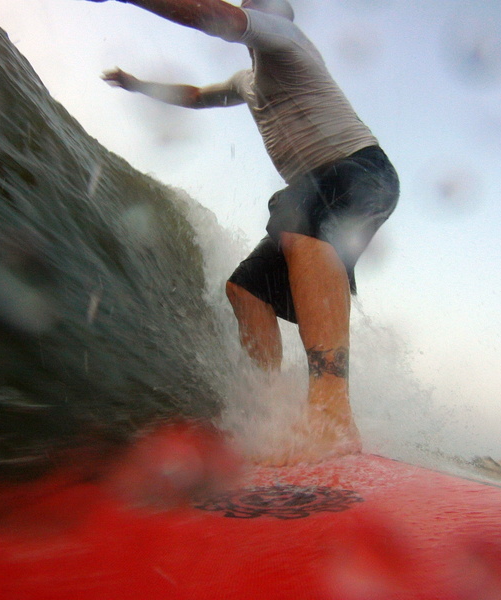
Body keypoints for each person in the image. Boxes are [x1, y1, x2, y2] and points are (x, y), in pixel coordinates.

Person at [87, 0, 399, 463]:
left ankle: (332, 415)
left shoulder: (287, 39)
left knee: (299, 224)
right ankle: (272, 412)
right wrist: (137, 85)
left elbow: (221, 19)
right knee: (247, 289)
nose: (247, 5)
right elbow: (197, 96)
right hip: (320, 186)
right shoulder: (245, 81)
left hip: (361, 170)